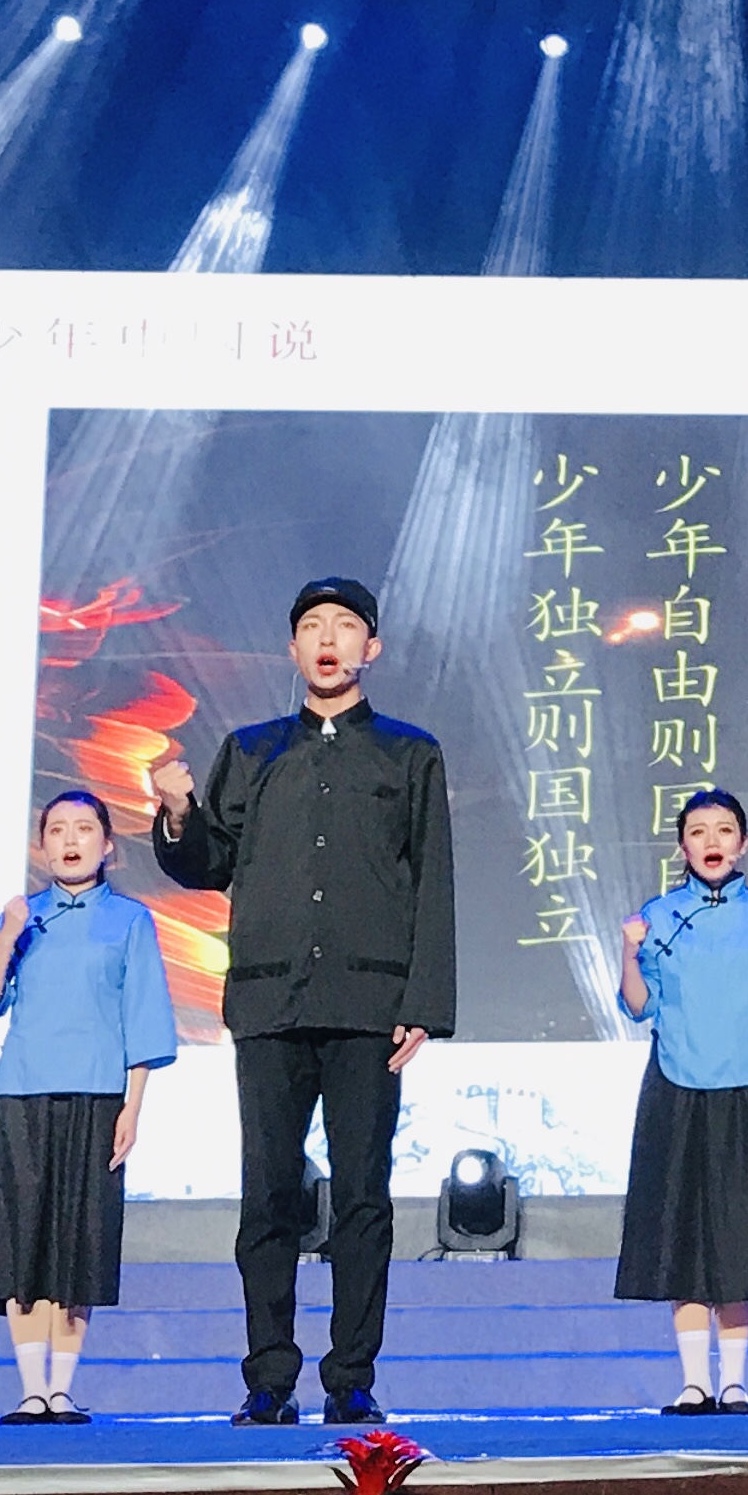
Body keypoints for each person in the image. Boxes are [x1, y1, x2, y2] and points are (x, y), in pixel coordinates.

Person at [149, 575, 456, 1428]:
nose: (327, 639)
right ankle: (269, 1378)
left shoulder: (409, 753)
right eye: (312, 626)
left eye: (344, 625)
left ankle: (350, 1377)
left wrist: (423, 1001)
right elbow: (210, 864)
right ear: (293, 649)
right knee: (269, 1197)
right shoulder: (251, 750)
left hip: (368, 1005)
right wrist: (177, 812)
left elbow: (433, 879)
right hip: (269, 1002)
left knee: (363, 1197)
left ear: (371, 647)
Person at [0, 789, 178, 1424]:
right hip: (23, 1092)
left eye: (84, 829)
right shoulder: (22, 918)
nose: (70, 840)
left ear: (108, 846)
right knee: (24, 1239)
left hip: (98, 1094)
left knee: (80, 1241)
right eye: (57, 830)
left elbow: (143, 1017)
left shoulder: (129, 921)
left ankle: (62, 1388)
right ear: (42, 846)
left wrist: (133, 1107)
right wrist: (8, 935)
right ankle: (31, 1389)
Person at [612, 789, 748, 1412]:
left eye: (724, 830)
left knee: (739, 1234)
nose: (712, 842)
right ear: (682, 846)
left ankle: (735, 1381)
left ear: (743, 844)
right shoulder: (659, 915)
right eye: (698, 832)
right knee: (684, 1233)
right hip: (676, 1089)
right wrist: (629, 950)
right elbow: (638, 1005)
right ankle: (694, 1381)